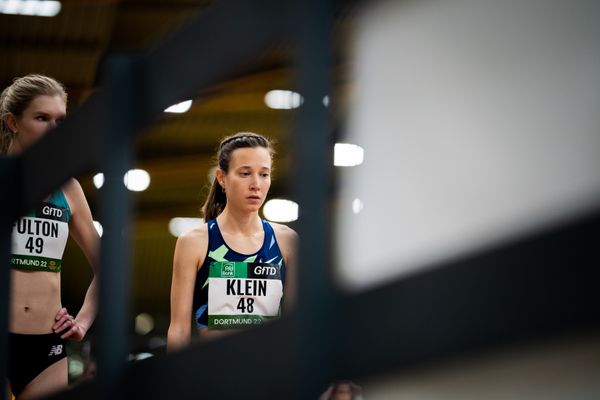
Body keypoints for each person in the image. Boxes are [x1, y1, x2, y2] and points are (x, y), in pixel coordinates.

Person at [1, 74, 100, 399]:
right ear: (12, 122)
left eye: (60, 120)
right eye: (42, 118)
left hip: (46, 343)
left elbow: (107, 266)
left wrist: (83, 321)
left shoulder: (68, 189)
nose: (53, 129)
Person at [167, 132, 297, 350]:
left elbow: (297, 325)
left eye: (264, 174)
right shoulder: (194, 243)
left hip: (271, 374)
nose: (256, 184)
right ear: (221, 178)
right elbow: (179, 330)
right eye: (245, 173)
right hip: (215, 374)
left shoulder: (287, 241)